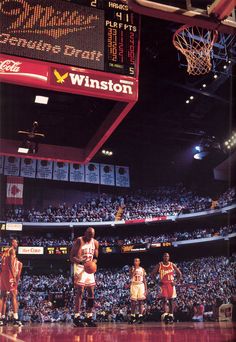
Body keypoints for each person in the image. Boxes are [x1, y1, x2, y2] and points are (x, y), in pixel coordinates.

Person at [70, 227, 99, 327]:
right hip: (79, 267)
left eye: (92, 234)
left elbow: (95, 257)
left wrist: (92, 264)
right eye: (89, 234)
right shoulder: (79, 240)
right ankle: (77, 316)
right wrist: (83, 262)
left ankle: (89, 316)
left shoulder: (95, 243)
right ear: (85, 233)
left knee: (91, 292)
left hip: (89, 268)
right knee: (80, 291)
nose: (91, 236)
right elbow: (72, 257)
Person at [152, 252, 182, 323]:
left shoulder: (172, 264)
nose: (166, 257)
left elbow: (179, 274)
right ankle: (166, 316)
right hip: (163, 285)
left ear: (169, 257)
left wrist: (176, 282)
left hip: (171, 284)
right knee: (164, 300)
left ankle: (171, 316)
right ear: (163, 257)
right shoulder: (159, 265)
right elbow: (152, 273)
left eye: (167, 256)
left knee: (171, 301)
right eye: (165, 256)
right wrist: (157, 282)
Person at [0, 239, 23, 326]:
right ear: (12, 243)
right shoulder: (12, 250)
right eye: (16, 242)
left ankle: (1, 318)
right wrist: (13, 276)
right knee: (13, 295)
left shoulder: (5, 251)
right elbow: (10, 264)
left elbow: (2, 263)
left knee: (2, 297)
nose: (17, 243)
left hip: (2, 274)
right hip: (9, 274)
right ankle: (15, 318)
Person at [129, 258, 147, 324]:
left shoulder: (142, 269)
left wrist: (146, 289)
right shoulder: (132, 268)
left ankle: (140, 316)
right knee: (133, 302)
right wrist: (135, 269)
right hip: (134, 285)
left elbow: (144, 279)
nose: (136, 262)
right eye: (135, 261)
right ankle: (132, 317)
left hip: (141, 285)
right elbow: (130, 276)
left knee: (140, 302)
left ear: (139, 262)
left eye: (137, 261)